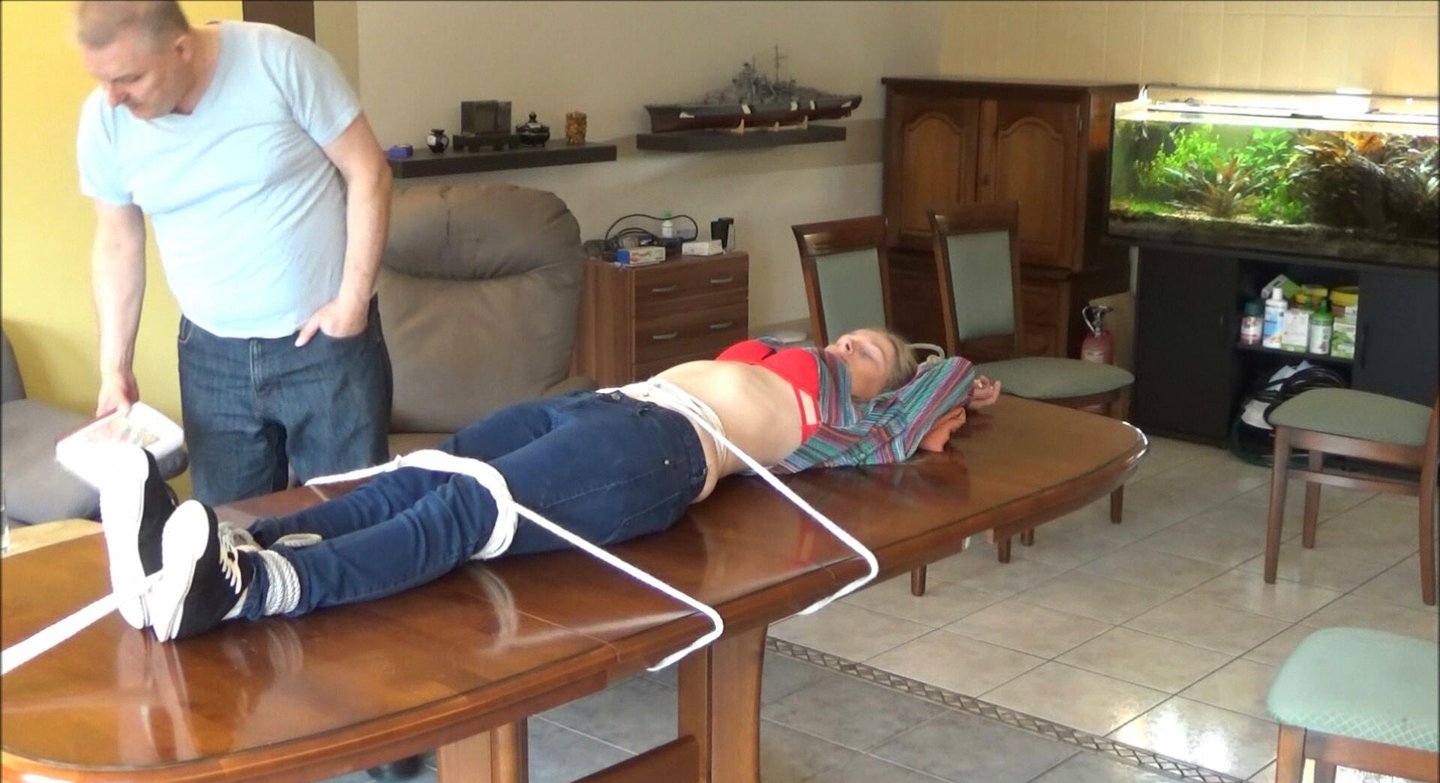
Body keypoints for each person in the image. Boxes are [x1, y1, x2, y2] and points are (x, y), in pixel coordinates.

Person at [99, 329, 1002, 643]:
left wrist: (956, 389)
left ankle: (258, 589)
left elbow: (947, 377)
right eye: (849, 337)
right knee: (426, 471)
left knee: (466, 512)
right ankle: (206, 562)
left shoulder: (848, 419)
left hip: (665, 451)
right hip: (606, 406)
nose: (849, 345)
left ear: (888, 388)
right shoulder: (795, 358)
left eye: (872, 351)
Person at [74, 1, 394, 515]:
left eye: (129, 79)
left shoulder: (280, 61)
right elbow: (117, 242)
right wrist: (115, 369)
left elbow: (369, 171)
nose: (112, 98)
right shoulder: (105, 120)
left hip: (325, 350)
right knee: (229, 532)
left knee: (351, 520)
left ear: (180, 49)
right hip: (210, 359)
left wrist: (352, 305)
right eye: (102, 80)